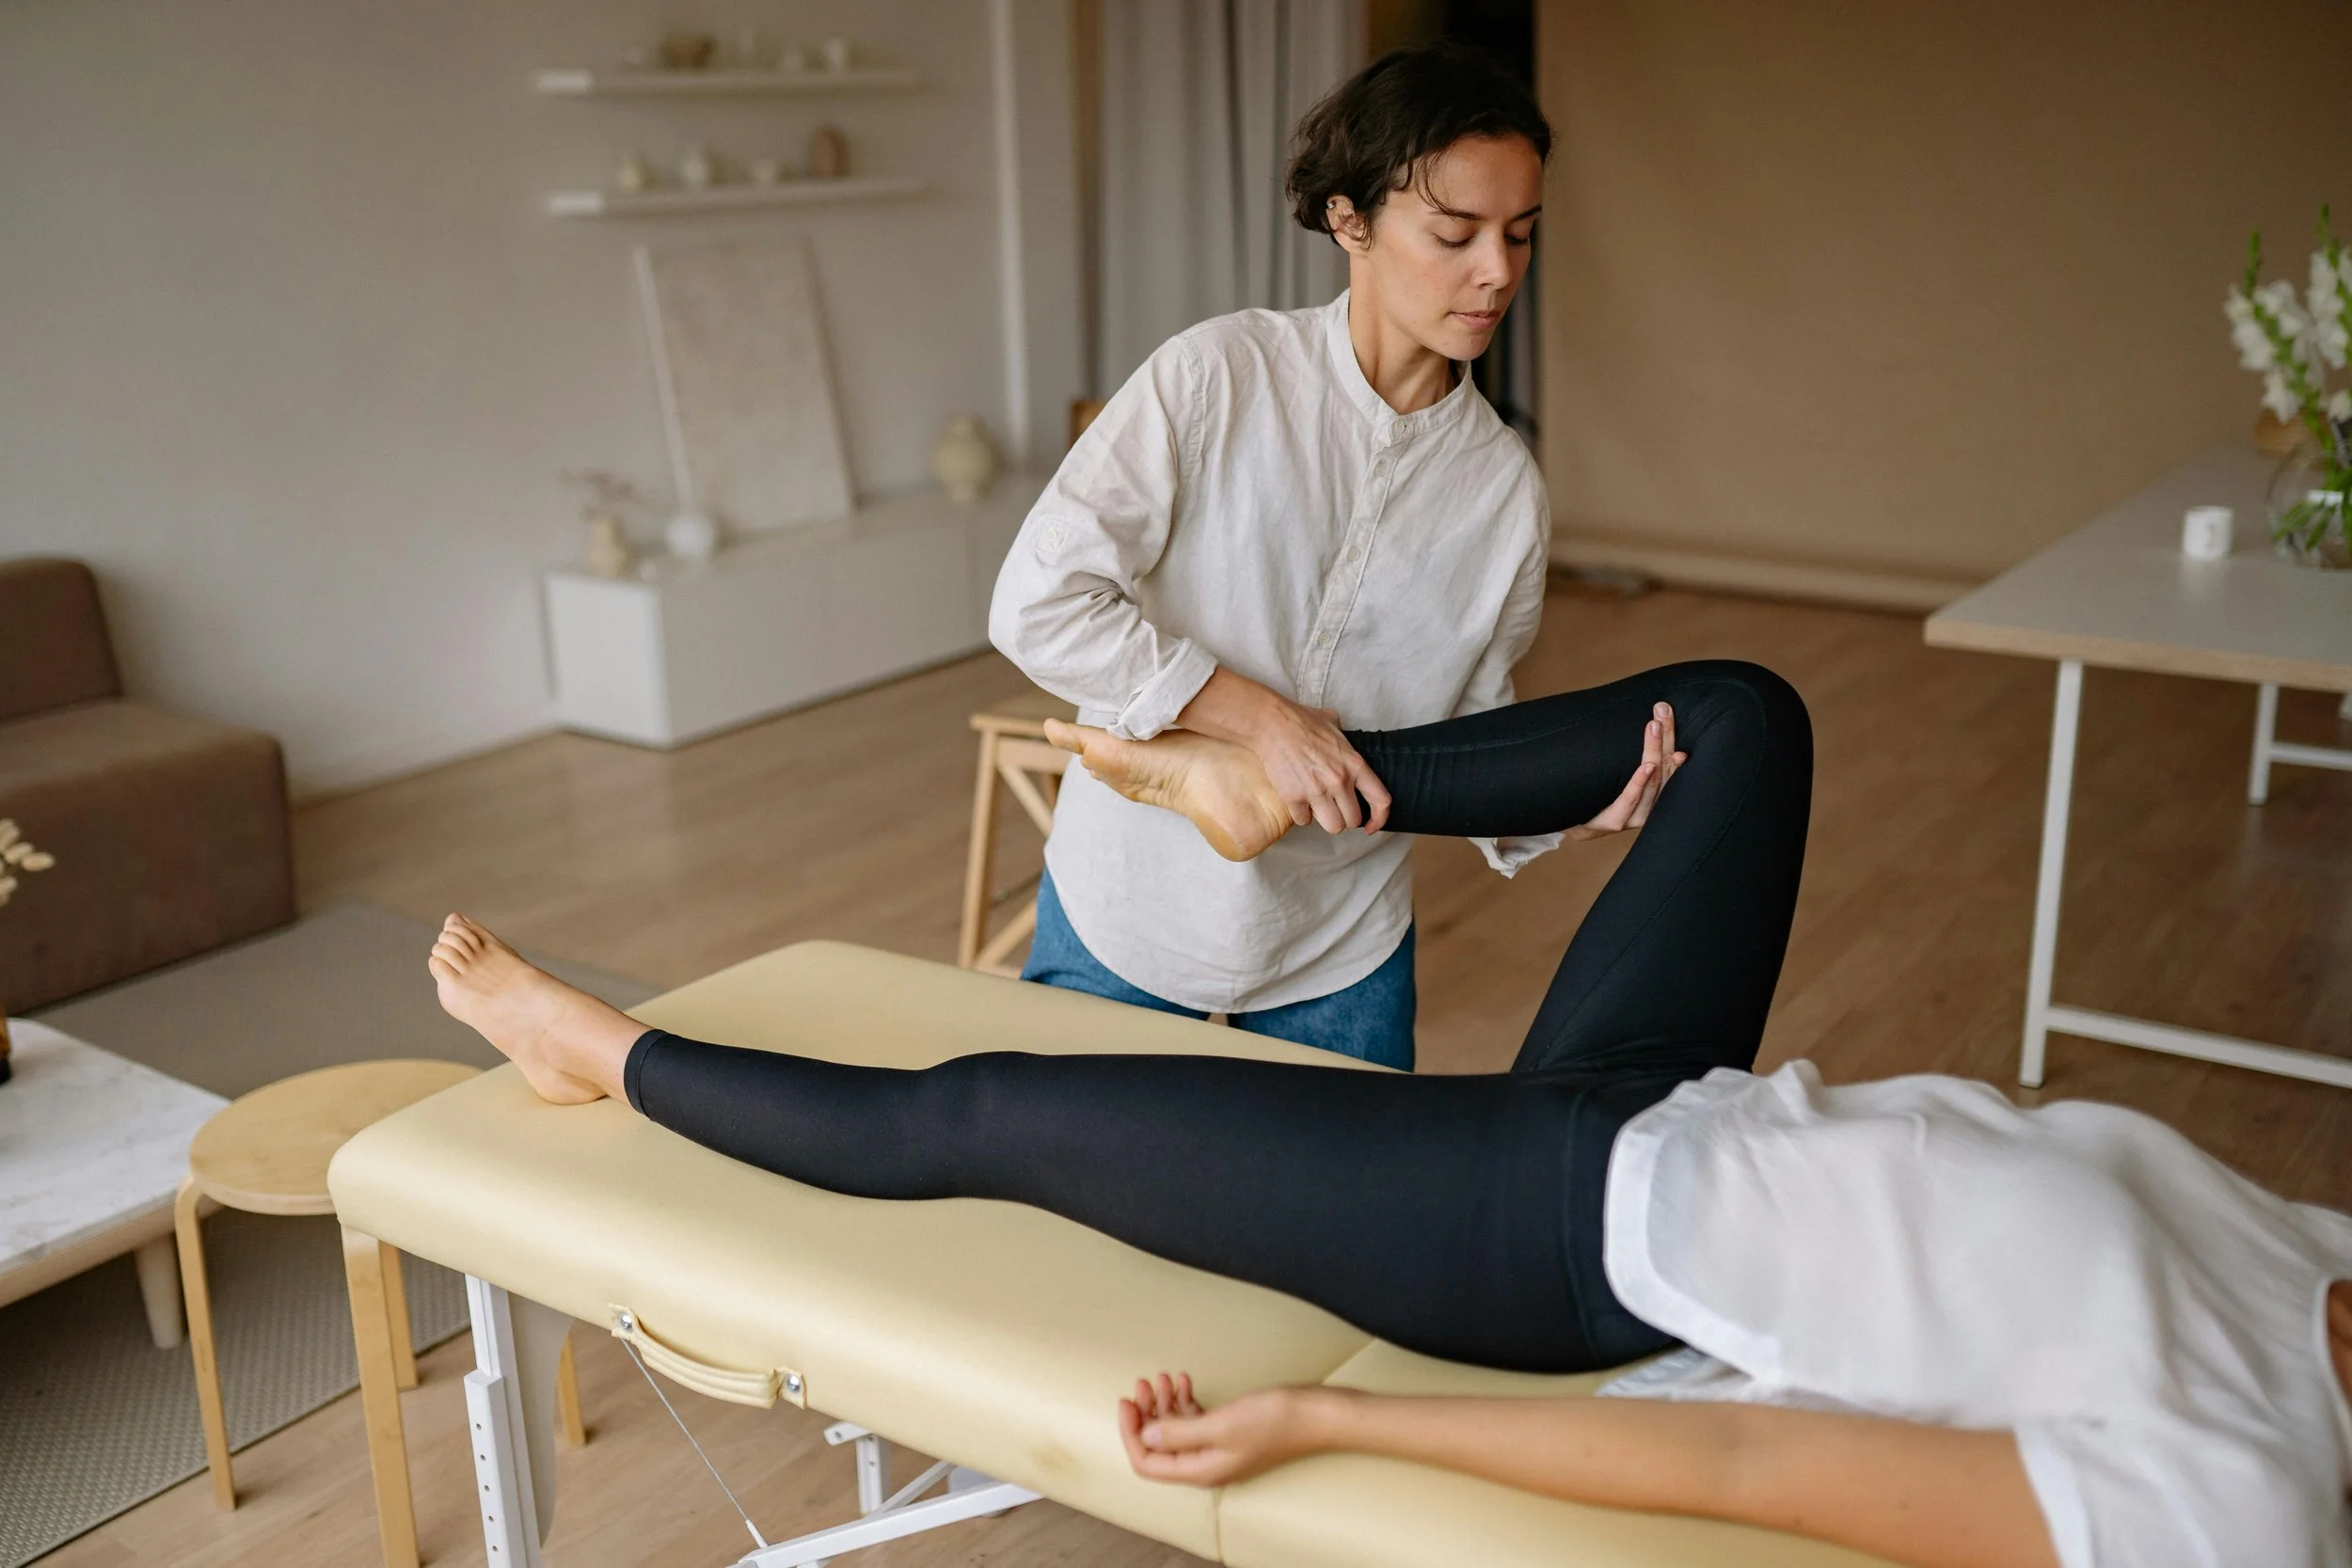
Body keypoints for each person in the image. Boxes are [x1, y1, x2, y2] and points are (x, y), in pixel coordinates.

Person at [430, 662, 2352, 1568]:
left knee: (1002, 1101)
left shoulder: (2238, 1500)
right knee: (1746, 721)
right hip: (1686, 1106)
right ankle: (1251, 781)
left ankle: (591, 1053)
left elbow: (1754, 1470)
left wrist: (1321, 1413)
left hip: (1554, 1233)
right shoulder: (2320, 1267)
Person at [989, 43, 1664, 1069]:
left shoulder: (1503, 493)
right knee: (1063, 1217)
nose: (1496, 271)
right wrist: (1259, 718)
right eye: (1454, 233)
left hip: (1338, 949)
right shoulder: (1217, 375)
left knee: (1322, 1233)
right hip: (1125, 910)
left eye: (1520, 236)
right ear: (1349, 220)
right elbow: (1038, 603)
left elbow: (1471, 718)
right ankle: (1198, 765)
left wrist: (1562, 804)